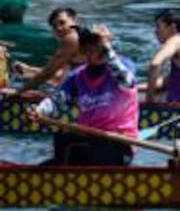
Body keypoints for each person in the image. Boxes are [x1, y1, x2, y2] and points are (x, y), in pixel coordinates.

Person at [30, 25, 138, 166]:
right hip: (87, 136)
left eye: (95, 47)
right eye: (87, 48)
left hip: (120, 142)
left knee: (96, 143)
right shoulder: (77, 75)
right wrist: (40, 110)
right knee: (62, 137)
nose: (91, 52)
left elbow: (128, 82)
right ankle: (61, 174)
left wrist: (107, 49)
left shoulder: (124, 65)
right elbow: (57, 100)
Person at [13, 7, 85, 89]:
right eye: (54, 26)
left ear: (75, 20)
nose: (59, 28)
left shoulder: (71, 39)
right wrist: (30, 70)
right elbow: (63, 76)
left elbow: (48, 74)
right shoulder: (83, 36)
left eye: (62, 22)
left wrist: (19, 92)